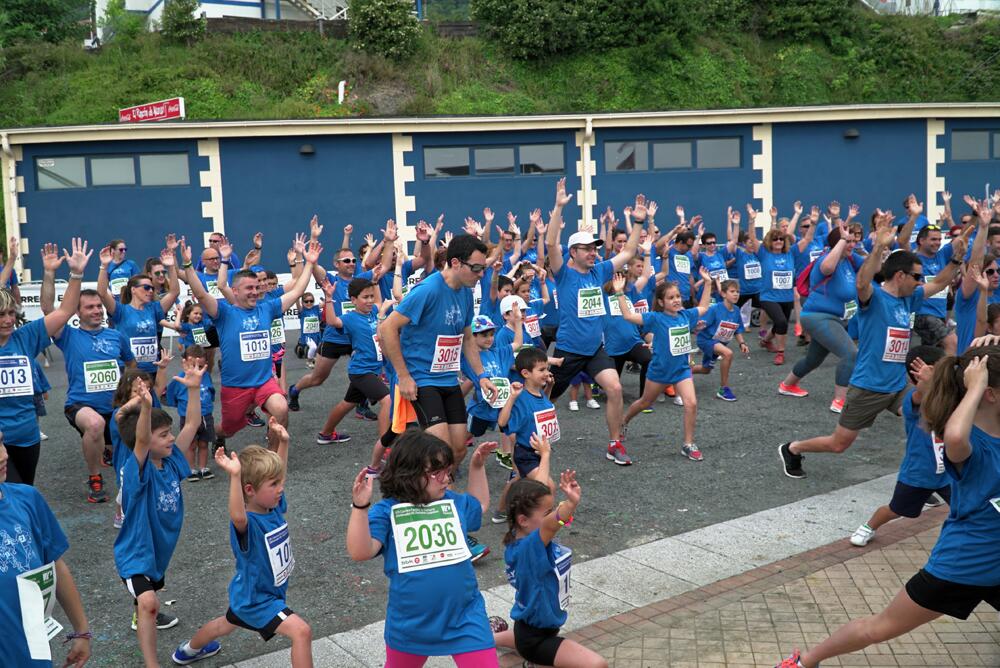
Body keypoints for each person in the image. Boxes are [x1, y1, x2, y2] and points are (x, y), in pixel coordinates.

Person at [775, 337, 1000, 668]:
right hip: (961, 566)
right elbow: (954, 436)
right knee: (878, 628)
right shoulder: (968, 443)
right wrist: (976, 384)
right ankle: (804, 660)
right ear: (990, 395)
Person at [778, 213, 968, 479]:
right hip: (868, 386)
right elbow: (861, 282)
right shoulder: (875, 298)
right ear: (900, 275)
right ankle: (793, 448)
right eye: (916, 276)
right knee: (839, 444)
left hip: (897, 386)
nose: (920, 281)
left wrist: (957, 259)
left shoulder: (909, 297)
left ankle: (922, 480)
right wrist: (878, 246)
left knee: (927, 417)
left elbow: (939, 283)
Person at [346, 429, 500, 668]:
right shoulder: (387, 511)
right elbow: (360, 551)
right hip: (411, 623)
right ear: (409, 473)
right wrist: (360, 506)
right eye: (436, 473)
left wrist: (477, 466)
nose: (446, 479)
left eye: (448, 471)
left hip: (465, 617)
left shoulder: (452, 501)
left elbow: (479, 505)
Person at [173, 421, 313, 666]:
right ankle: (190, 649)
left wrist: (284, 442)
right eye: (274, 485)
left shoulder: (272, 507)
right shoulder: (248, 523)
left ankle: (187, 650)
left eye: (279, 483)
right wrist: (234, 475)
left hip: (253, 595)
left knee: (222, 625)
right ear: (249, 490)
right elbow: (237, 514)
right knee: (301, 632)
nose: (281, 488)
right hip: (258, 601)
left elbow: (279, 474)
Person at [182, 235, 321, 451]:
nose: (255, 292)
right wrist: (189, 265)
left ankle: (272, 458)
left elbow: (296, 291)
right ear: (235, 291)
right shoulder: (224, 312)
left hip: (264, 382)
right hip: (236, 386)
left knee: (281, 409)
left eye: (257, 288)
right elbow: (200, 293)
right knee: (229, 428)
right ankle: (218, 436)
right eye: (249, 288)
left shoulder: (267, 308)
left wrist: (309, 262)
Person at [545, 181, 648, 466]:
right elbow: (551, 243)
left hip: (594, 350)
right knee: (544, 400)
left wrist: (639, 221)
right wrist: (559, 207)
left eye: (595, 248)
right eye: (587, 249)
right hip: (568, 351)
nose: (593, 252)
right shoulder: (563, 274)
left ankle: (615, 443)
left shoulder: (599, 271)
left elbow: (627, 253)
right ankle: (530, 441)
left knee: (614, 389)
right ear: (573, 252)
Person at [114, 358, 204, 667]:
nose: (170, 438)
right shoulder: (138, 469)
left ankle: (139, 611)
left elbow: (191, 425)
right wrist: (146, 406)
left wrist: (194, 390)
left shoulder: (172, 461)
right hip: (135, 552)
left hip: (158, 552)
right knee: (149, 603)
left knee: (149, 598)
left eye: (168, 433)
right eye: (163, 434)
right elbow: (140, 440)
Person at [41, 243, 137, 502]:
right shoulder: (68, 335)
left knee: (137, 423)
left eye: (98, 306)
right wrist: (50, 273)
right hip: (81, 405)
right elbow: (48, 309)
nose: (96, 310)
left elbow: (131, 364)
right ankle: (95, 477)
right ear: (77, 312)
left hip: (114, 406)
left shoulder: (116, 336)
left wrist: (131, 387)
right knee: (94, 424)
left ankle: (117, 457)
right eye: (89, 307)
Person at [0, 238, 91, 486]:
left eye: (10, 313)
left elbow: (64, 312)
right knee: (9, 495)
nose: (8, 320)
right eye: (1, 315)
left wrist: (76, 274)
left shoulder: (25, 337)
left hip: (27, 435)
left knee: (25, 490)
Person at [495, 473, 606, 668]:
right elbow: (551, 524)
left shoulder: (519, 538)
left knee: (519, 638)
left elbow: (537, 494)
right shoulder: (530, 548)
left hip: (529, 628)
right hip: (536, 640)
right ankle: (533, 661)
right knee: (597, 664)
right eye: (548, 512)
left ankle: (488, 638)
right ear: (523, 520)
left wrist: (544, 454)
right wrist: (570, 505)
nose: (553, 514)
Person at [0, 435, 93, 668]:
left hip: (31, 652)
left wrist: (82, 631)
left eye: (1, 442)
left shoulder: (27, 499)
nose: (4, 455)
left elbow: (54, 565)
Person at [849, 346, 949, 547]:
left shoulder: (947, 397)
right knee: (896, 509)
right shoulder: (913, 401)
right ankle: (869, 526)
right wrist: (926, 383)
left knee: (965, 507)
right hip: (918, 473)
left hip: (948, 472)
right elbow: (920, 396)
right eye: (939, 371)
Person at [616, 268, 714, 461]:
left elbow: (703, 308)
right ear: (661, 302)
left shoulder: (686, 316)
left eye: (677, 296)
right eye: (671, 298)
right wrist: (620, 293)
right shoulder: (656, 318)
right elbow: (628, 316)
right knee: (645, 402)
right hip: (659, 371)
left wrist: (708, 283)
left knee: (691, 403)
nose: (676, 300)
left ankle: (688, 444)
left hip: (681, 370)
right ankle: (624, 420)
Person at [777, 219, 866, 409]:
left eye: (853, 241)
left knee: (813, 359)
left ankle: (787, 385)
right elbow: (827, 269)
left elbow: (873, 267)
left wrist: (881, 244)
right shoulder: (826, 260)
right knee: (851, 354)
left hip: (834, 319)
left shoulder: (850, 260)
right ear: (837, 243)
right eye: (847, 241)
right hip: (819, 317)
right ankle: (840, 401)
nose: (852, 244)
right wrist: (841, 240)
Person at [288, 244, 373, 412]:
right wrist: (311, 256)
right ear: (337, 264)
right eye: (346, 260)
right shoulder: (332, 281)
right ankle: (294, 390)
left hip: (355, 337)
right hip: (334, 338)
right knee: (317, 378)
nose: (351, 263)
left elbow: (382, 268)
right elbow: (315, 269)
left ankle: (361, 404)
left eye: (353, 260)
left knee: (365, 369)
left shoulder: (359, 281)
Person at [315, 280, 394, 460]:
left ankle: (326, 434)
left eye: (371, 296)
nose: (369, 301)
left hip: (372, 370)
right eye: (365, 297)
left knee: (347, 403)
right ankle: (385, 447)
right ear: (353, 299)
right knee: (388, 400)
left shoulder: (374, 311)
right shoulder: (349, 318)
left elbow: (380, 305)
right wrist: (329, 297)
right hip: (361, 371)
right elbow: (333, 321)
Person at [98, 238, 180, 377]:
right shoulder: (121, 311)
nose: (150, 291)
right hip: (129, 370)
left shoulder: (154, 308)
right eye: (146, 287)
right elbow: (102, 293)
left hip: (151, 368)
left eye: (152, 288)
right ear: (133, 290)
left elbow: (174, 292)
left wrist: (171, 268)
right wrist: (104, 267)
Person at [499, 347, 559, 485]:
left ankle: (502, 507)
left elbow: (543, 408)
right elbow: (502, 422)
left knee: (518, 482)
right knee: (547, 486)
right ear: (526, 373)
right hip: (525, 453)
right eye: (542, 370)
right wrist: (512, 397)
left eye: (547, 369)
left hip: (539, 450)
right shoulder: (520, 396)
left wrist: (549, 388)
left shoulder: (539, 393)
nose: (547, 373)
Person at [690, 278, 751, 400]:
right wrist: (698, 326)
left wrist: (742, 343)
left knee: (705, 369)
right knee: (727, 354)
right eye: (732, 291)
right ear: (723, 294)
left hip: (719, 342)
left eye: (737, 292)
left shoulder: (736, 310)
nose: (735, 294)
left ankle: (682, 373)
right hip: (707, 340)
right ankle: (724, 389)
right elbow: (701, 325)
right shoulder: (715, 309)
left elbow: (737, 330)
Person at [165, 345, 217, 482]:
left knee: (204, 443)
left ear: (205, 364)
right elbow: (171, 396)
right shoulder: (179, 379)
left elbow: (211, 392)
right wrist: (180, 408)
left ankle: (203, 467)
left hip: (206, 415)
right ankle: (191, 468)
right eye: (192, 365)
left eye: (200, 366)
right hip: (187, 416)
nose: (196, 370)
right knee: (190, 444)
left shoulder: (206, 376)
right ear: (185, 363)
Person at [295, 292, 321, 368]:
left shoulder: (316, 308)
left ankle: (313, 358)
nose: (309, 303)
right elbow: (298, 306)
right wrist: (297, 298)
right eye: (306, 301)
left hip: (316, 334)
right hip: (307, 336)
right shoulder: (302, 311)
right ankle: (309, 361)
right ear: (302, 302)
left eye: (311, 301)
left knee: (319, 348)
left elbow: (326, 302)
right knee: (313, 347)